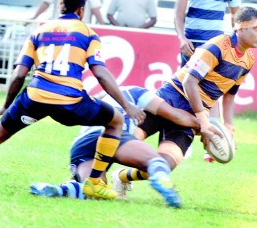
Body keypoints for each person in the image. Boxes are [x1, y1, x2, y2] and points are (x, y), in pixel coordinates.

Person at [0, 0, 145, 200]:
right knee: (116, 120)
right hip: (70, 101)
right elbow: (100, 73)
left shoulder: (40, 31)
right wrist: (127, 106)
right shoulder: (88, 34)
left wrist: (6, 105)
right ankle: (93, 184)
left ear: (59, 7)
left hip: (35, 97)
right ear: (81, 10)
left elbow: (19, 73)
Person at [129, 7, 257, 181]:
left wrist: (228, 127)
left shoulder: (248, 60)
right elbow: (189, 82)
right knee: (130, 142)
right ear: (240, 28)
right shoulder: (217, 46)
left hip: (194, 112)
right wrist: (203, 122)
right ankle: (93, 172)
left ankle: (122, 178)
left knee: (165, 165)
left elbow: (229, 95)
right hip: (171, 98)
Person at [29, 85, 203, 208]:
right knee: (157, 161)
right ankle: (165, 186)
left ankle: (60, 190)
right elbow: (175, 115)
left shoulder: (108, 98)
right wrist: (205, 127)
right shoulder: (139, 93)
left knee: (94, 188)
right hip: (111, 135)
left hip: (82, 143)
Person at [174, 0, 241, 161]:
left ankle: (211, 145)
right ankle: (181, 141)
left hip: (215, 48)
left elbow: (236, 21)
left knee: (211, 94)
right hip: (191, 46)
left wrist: (233, 46)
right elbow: (178, 14)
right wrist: (182, 38)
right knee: (185, 93)